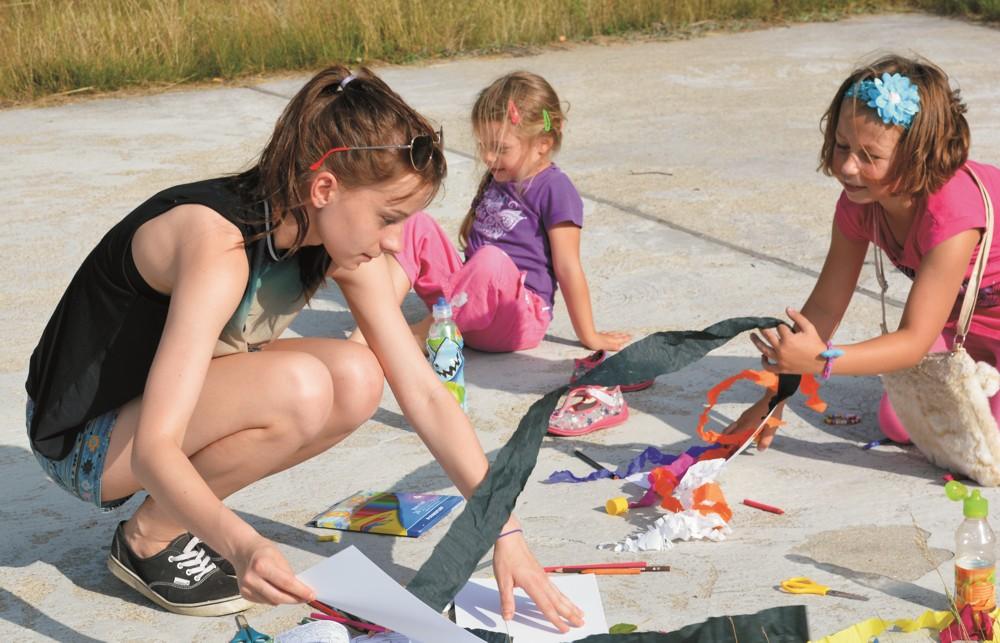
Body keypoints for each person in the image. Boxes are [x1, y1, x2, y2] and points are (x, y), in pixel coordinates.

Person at [24, 65, 583, 632]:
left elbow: (425, 393)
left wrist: (502, 532)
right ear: (324, 188)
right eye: (389, 218)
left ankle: (158, 526)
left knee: (360, 377)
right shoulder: (218, 247)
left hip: (152, 410)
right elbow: (154, 448)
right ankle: (152, 537)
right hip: (85, 441)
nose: (396, 242)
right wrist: (242, 544)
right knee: (304, 386)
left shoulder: (330, 234)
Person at [727, 54, 1000, 449]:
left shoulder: (952, 217)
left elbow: (913, 342)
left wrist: (821, 362)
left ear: (919, 155)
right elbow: (824, 307)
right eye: (841, 145)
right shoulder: (860, 203)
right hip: (965, 325)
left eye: (870, 156)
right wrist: (774, 398)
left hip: (960, 325)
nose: (848, 167)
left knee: (985, 445)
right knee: (900, 425)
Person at [352, 71, 630, 353]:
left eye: (500, 148)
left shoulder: (555, 188)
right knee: (414, 223)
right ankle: (379, 320)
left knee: (491, 261)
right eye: (484, 146)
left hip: (516, 319)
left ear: (543, 144)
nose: (487, 157)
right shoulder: (500, 178)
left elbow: (568, 267)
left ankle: (425, 335)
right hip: (471, 307)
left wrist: (589, 335)